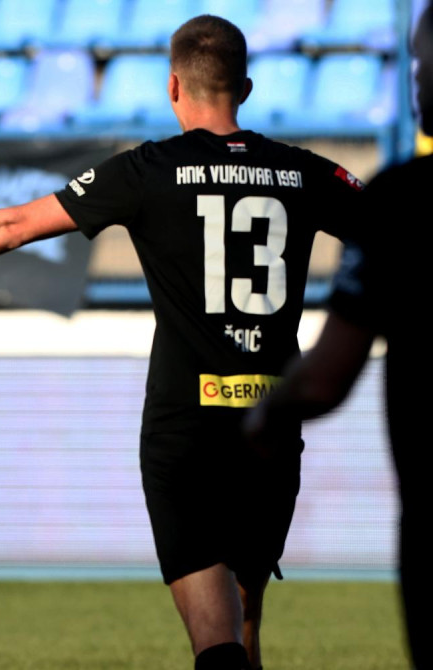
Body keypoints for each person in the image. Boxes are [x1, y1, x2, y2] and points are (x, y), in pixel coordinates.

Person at [0, 16, 363, 670]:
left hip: (188, 424)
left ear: (173, 86)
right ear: (247, 87)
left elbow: (11, 225)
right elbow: (394, 237)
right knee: (246, 613)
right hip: (272, 420)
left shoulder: (147, 170)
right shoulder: (306, 172)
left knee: (217, 641)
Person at [246, 8, 432, 667]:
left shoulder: (406, 199)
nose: (415, 78)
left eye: (423, 60)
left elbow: (327, 378)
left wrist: (267, 415)